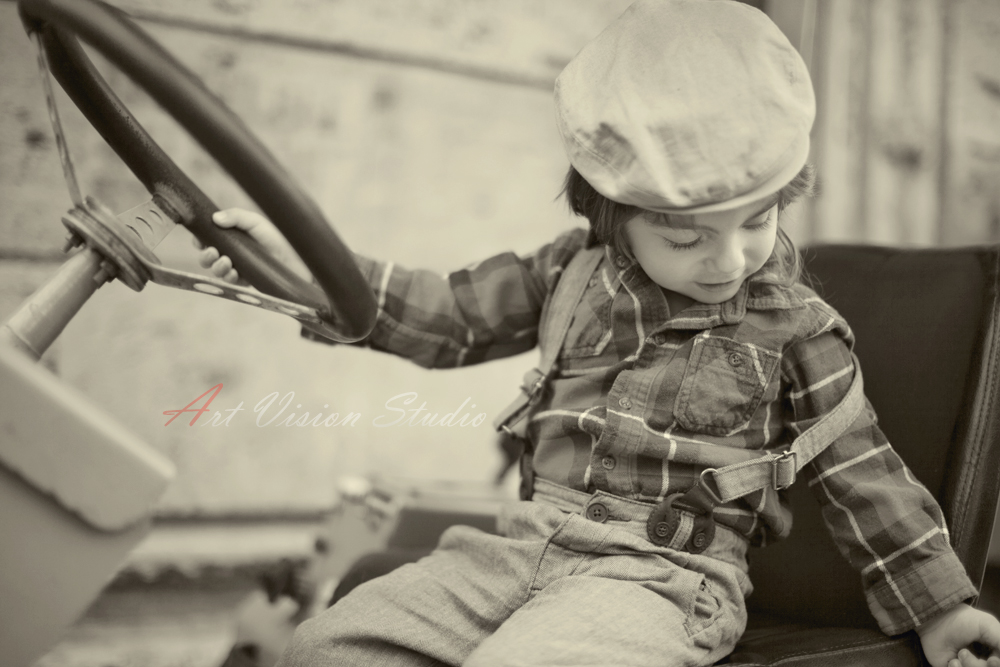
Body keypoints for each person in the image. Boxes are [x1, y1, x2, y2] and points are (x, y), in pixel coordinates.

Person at [198, 2, 1000, 666]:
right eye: (685, 236)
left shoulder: (796, 324)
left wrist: (940, 606)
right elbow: (441, 314)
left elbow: (866, 472)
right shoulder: (569, 271)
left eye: (758, 220)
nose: (728, 259)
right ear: (608, 212)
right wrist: (299, 266)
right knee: (323, 646)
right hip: (519, 547)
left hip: (664, 576)